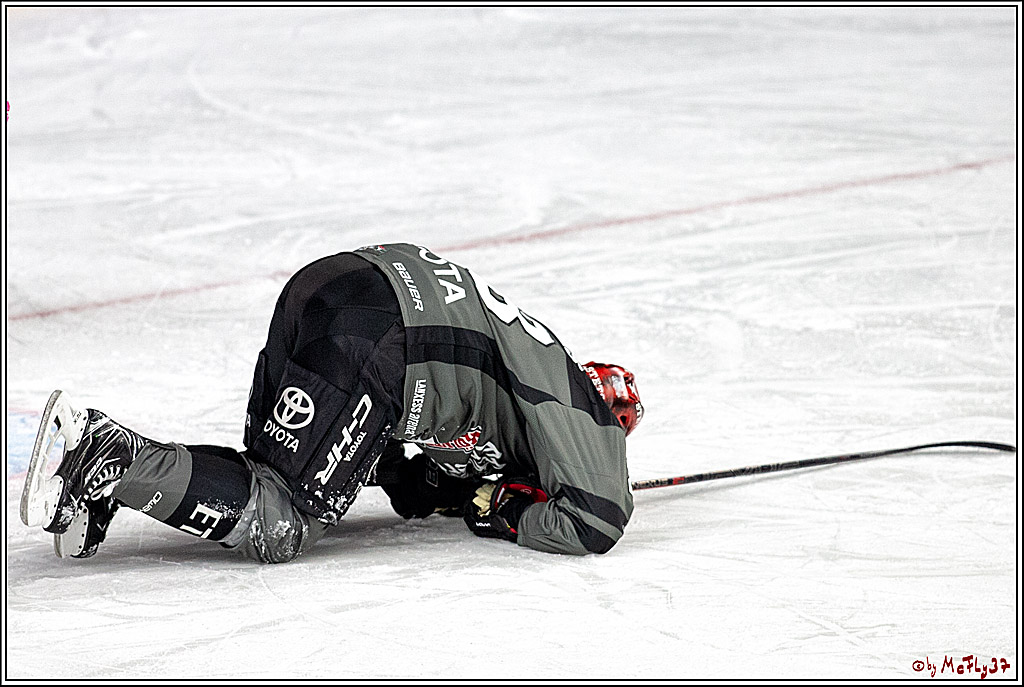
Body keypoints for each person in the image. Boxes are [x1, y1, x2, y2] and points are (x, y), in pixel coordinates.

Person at [20, 243, 644, 563]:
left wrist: (446, 488)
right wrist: (498, 510)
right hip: (383, 336)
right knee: (280, 522)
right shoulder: (589, 418)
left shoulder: (527, 380)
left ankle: (105, 487)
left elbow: (401, 469)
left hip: (336, 286)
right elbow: (595, 521)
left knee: (266, 473)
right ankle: (108, 457)